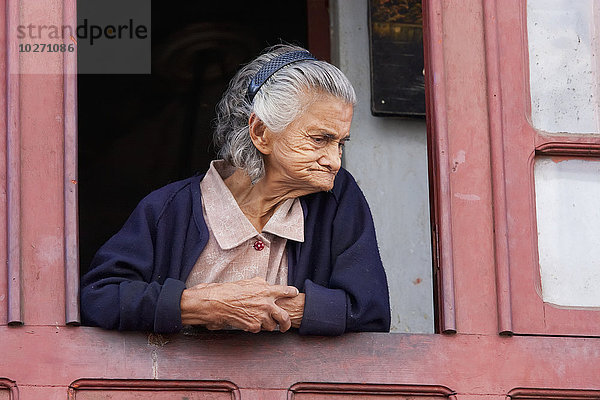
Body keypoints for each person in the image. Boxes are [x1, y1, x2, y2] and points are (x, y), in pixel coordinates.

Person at [81, 44, 391, 336]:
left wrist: (278, 309)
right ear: (261, 132)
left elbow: (370, 311)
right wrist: (202, 306)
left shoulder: (337, 198)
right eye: (320, 139)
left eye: (341, 143)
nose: (334, 161)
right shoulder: (170, 209)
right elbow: (99, 298)